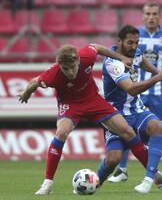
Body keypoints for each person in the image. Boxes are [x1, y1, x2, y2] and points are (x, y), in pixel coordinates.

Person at [18, 44, 153, 195]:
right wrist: (26, 94)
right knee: (61, 132)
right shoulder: (53, 74)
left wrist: (120, 57)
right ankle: (47, 183)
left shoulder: (86, 56)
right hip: (71, 105)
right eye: (65, 69)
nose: (70, 72)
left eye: (72, 67)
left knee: (127, 131)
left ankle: (153, 174)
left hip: (93, 100)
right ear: (59, 66)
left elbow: (98, 48)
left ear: (78, 61)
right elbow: (35, 82)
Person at [97, 25, 162, 194]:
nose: (135, 46)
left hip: (136, 110)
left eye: (137, 42)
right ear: (119, 41)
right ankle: (96, 181)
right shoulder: (112, 63)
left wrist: (159, 70)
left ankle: (150, 178)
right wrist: (159, 77)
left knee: (157, 126)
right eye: (130, 42)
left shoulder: (134, 52)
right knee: (113, 158)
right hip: (116, 115)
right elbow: (131, 89)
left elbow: (141, 60)